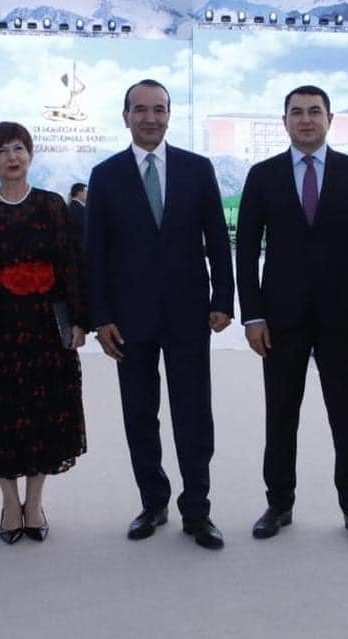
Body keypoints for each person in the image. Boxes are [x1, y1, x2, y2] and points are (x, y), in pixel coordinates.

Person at [86, 79, 234, 550]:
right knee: (139, 414)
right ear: (125, 116)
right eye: (140, 109)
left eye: (159, 109)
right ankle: (153, 502)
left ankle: (197, 510)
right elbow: (95, 254)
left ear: (170, 114)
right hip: (129, 319)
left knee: (194, 413)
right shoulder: (105, 175)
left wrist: (223, 298)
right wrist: (101, 317)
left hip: (189, 313)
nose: (150, 118)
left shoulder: (197, 169)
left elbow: (217, 238)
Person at [235, 84, 348, 546]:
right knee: (280, 414)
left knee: (346, 416)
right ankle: (279, 503)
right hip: (280, 320)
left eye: (314, 112)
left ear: (329, 119)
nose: (306, 119)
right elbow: (246, 250)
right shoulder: (262, 176)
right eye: (297, 112)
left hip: (342, 318)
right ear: (284, 121)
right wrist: (252, 316)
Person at [0, 122, 86, 544]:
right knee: (0, 417)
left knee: (45, 413)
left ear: (30, 154)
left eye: (19, 148)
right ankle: (10, 503)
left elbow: (70, 266)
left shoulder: (51, 206)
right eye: (3, 151)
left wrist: (78, 320)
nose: (13, 157)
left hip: (45, 329)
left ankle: (35, 502)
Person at [67, 182, 88, 252]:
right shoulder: (78, 209)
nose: (88, 194)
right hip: (80, 247)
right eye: (86, 191)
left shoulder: (71, 207)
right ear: (80, 192)